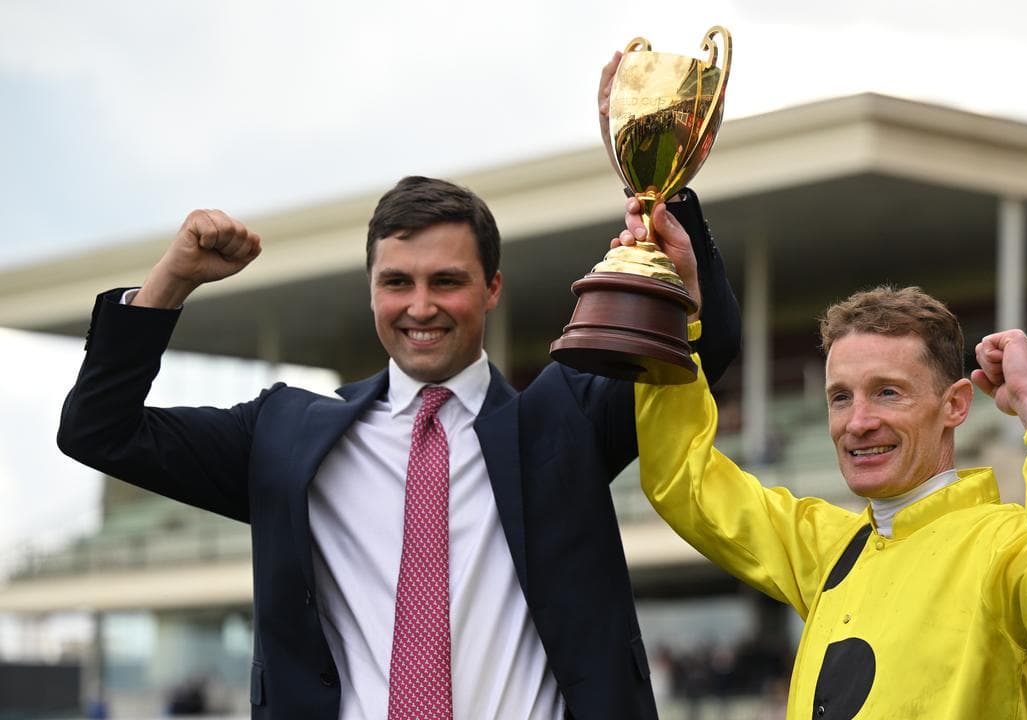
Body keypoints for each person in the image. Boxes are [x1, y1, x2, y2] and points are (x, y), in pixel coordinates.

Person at [57, 169, 739, 718]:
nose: (420, 306)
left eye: (446, 280)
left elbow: (713, 350)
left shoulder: (562, 421)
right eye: (397, 282)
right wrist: (170, 281)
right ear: (371, 291)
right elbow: (99, 430)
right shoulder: (285, 435)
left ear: (492, 288)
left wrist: (660, 194)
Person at [630, 283, 1027, 718]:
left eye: (888, 392)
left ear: (956, 405)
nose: (858, 422)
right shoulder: (829, 546)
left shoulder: (1003, 547)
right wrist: (675, 315)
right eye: (841, 397)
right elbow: (685, 480)